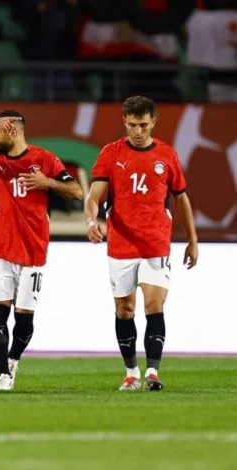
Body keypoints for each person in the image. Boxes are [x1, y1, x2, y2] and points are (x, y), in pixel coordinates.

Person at [84, 96, 198, 392]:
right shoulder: (111, 153)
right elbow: (93, 196)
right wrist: (91, 221)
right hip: (121, 244)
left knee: (154, 304)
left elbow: (181, 198)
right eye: (133, 125)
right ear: (125, 122)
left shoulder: (167, 155)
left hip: (155, 243)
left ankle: (153, 372)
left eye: (144, 125)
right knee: (124, 310)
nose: (138, 131)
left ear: (153, 122)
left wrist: (192, 239)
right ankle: (131, 372)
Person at [0, 110, 84, 391]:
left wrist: (47, 183)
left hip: (33, 249)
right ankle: (3, 374)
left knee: (25, 319)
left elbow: (77, 192)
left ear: (13, 130)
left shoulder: (45, 159)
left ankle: (14, 359)